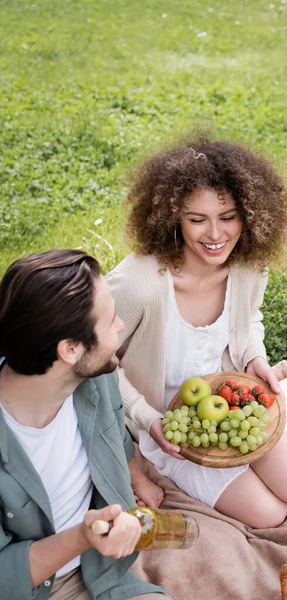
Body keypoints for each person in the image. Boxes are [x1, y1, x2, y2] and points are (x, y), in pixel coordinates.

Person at [107, 135, 287, 529]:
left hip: (235, 398)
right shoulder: (139, 283)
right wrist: (145, 417)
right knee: (267, 513)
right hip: (168, 425)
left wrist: (255, 358)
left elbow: (249, 318)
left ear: (248, 214)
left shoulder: (249, 265)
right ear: (172, 219)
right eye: (197, 219)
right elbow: (96, 363)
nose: (216, 235)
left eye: (229, 217)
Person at [0, 250, 171, 600]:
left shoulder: (93, 375)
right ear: (70, 349)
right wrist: (83, 536)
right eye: (110, 321)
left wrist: (136, 478)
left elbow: (115, 433)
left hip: (101, 569)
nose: (120, 325)